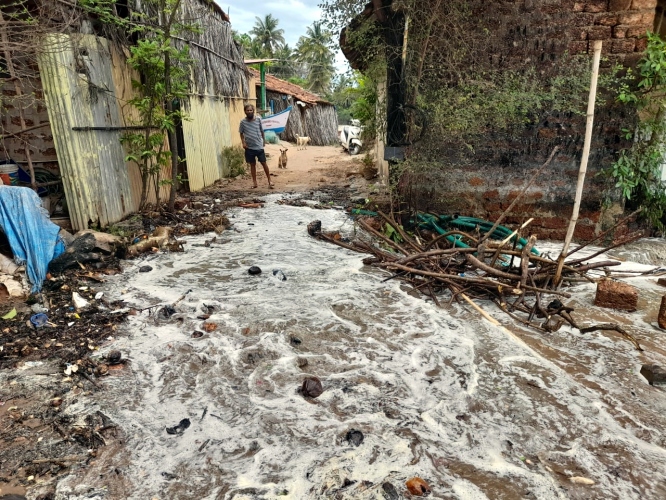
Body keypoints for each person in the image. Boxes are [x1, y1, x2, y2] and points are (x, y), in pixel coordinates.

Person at [239, 104, 274, 189]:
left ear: (253, 111)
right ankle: (255, 183)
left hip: (259, 146)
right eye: (248, 110)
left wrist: (263, 141)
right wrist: (243, 143)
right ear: (245, 112)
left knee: (263, 163)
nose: (249, 112)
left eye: (251, 110)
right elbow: (241, 133)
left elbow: (262, 130)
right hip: (249, 147)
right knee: (252, 165)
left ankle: (270, 180)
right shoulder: (243, 122)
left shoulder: (258, 119)